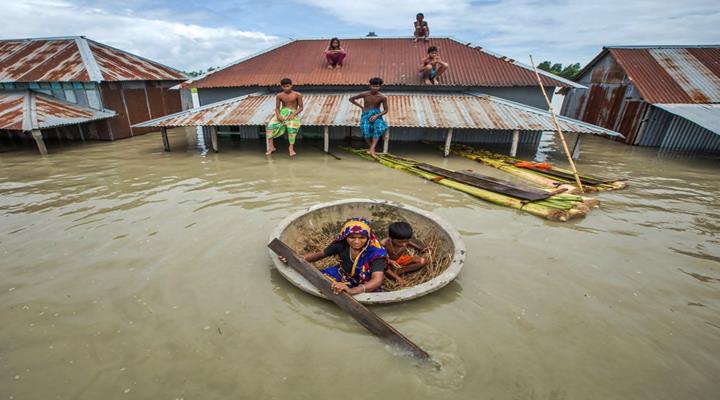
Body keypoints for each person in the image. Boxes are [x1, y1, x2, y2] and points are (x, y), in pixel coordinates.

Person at [284, 217, 387, 295]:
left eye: (361, 237)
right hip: (343, 274)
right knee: (317, 279)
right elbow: (319, 255)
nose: (356, 242)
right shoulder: (342, 245)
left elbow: (377, 280)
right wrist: (293, 258)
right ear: (346, 236)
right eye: (352, 237)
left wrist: (352, 290)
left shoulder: (376, 253)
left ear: (368, 237)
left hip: (365, 282)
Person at [381, 222, 430, 287]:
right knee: (381, 273)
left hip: (399, 260)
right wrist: (389, 261)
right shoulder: (384, 244)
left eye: (406, 241)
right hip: (386, 263)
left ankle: (399, 271)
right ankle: (394, 275)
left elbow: (409, 243)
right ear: (391, 238)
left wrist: (421, 249)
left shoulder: (404, 240)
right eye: (399, 242)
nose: (404, 244)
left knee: (423, 261)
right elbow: (380, 258)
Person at [349, 77, 389, 157]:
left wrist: (376, 116)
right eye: (373, 86)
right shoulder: (364, 94)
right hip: (366, 114)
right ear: (370, 86)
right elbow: (351, 99)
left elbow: (386, 110)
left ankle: (372, 149)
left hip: (376, 114)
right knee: (365, 129)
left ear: (380, 87)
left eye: (377, 86)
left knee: (379, 127)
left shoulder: (382, 97)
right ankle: (371, 148)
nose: (375, 88)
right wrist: (361, 107)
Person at [266, 78, 303, 156]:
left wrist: (293, 114)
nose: (286, 88)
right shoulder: (279, 95)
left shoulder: (297, 94)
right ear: (281, 86)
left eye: (287, 86)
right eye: (284, 86)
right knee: (270, 126)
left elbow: (301, 108)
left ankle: (291, 148)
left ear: (291, 85)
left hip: (293, 113)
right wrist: (279, 115)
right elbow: (277, 108)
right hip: (282, 113)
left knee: (292, 128)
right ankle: (271, 147)